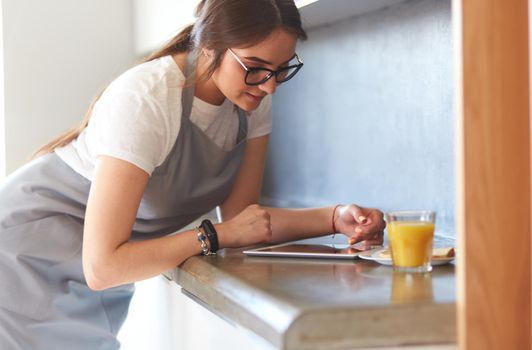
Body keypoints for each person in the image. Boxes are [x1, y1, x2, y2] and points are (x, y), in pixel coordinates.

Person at [0, 0, 386, 349]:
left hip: (93, 267)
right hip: (24, 258)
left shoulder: (251, 102)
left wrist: (334, 218)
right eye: (255, 68)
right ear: (210, 46)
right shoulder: (148, 99)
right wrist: (212, 236)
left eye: (282, 69)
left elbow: (242, 222)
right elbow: (103, 267)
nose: (269, 86)